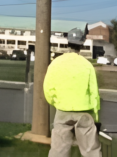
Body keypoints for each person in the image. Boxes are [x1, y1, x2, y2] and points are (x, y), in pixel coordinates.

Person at [43, 26, 101, 157]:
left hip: (63, 109)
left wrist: (55, 102)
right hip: (84, 111)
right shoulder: (87, 65)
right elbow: (94, 93)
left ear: (67, 42)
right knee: (90, 150)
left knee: (59, 149)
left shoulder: (56, 63)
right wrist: (96, 116)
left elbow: (48, 88)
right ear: (82, 43)